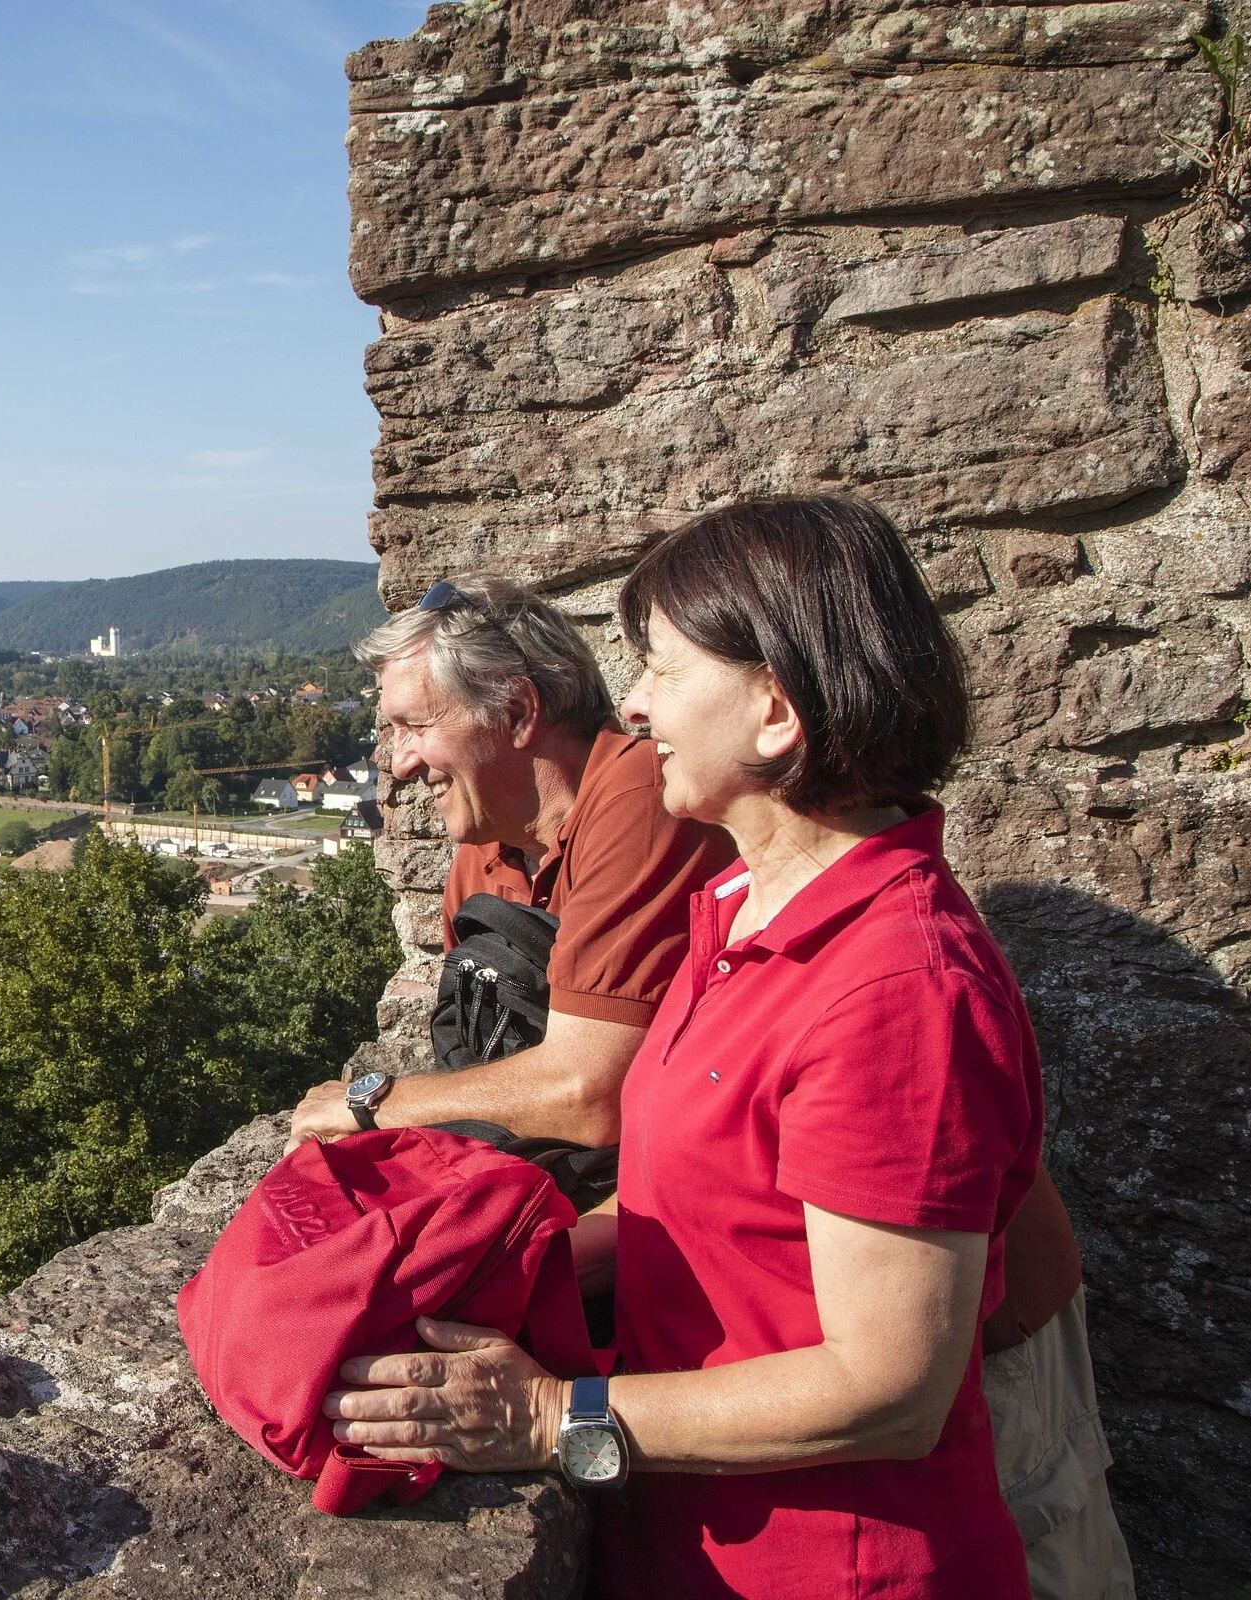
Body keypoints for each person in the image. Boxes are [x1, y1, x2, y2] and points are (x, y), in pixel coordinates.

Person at [324, 498, 1057, 1599]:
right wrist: (531, 1260)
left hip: (836, 1568)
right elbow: (717, 1205)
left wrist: (544, 1414)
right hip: (700, 1546)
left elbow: (892, 1385)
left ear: (776, 708)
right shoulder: (738, 914)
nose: (633, 702)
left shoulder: (896, 987)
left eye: (662, 668)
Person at [285, 576, 736, 1162]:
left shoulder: (641, 798)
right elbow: (484, 1069)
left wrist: (368, 1103)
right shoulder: (485, 854)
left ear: (519, 710)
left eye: (416, 726)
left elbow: (591, 1096)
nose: (399, 764)